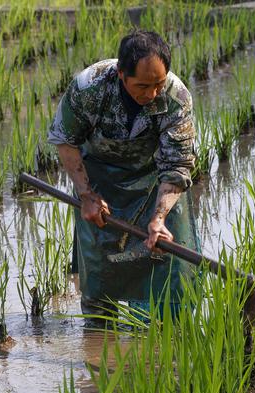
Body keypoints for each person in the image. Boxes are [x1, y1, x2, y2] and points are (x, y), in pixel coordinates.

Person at [47, 30, 199, 323]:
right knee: (101, 269)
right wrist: (86, 195)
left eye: (158, 83)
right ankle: (101, 343)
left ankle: (166, 334)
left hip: (156, 180)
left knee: (168, 261)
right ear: (121, 74)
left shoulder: (176, 97)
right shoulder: (89, 88)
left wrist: (159, 218)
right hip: (100, 180)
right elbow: (65, 140)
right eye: (142, 85)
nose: (152, 93)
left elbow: (178, 164)